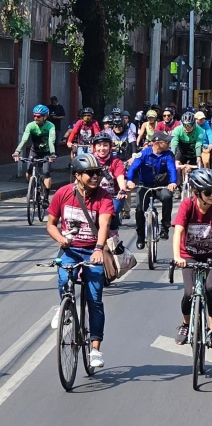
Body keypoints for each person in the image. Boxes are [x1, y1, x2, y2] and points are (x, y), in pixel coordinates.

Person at [46, 153, 113, 368]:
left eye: (97, 173)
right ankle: (64, 306)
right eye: (90, 173)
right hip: (71, 250)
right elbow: (51, 224)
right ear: (77, 175)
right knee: (64, 278)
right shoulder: (64, 193)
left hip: (93, 251)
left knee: (94, 299)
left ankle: (95, 350)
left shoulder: (103, 196)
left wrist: (99, 249)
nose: (95, 177)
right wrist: (61, 239)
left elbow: (103, 225)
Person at [172, 168, 212, 349]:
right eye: (208, 192)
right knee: (189, 294)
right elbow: (178, 231)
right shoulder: (187, 205)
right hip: (189, 255)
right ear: (196, 193)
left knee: (211, 287)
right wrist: (177, 256)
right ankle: (185, 324)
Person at [126, 132, 178, 248]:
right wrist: (129, 180)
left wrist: (173, 182)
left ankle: (165, 227)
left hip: (161, 186)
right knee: (139, 209)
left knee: (167, 197)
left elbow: (172, 169)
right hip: (145, 185)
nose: (169, 144)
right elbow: (133, 168)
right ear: (157, 143)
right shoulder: (144, 154)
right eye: (167, 142)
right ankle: (140, 235)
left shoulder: (168, 155)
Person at [13, 105, 57, 206]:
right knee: (28, 172)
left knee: (46, 173)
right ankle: (33, 189)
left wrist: (53, 154)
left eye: (39, 116)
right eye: (34, 116)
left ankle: (45, 197)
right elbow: (24, 139)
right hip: (35, 151)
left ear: (45, 117)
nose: (36, 118)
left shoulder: (50, 126)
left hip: (46, 152)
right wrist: (17, 151)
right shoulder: (31, 125)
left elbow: (51, 141)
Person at [90, 133, 127, 233]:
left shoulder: (116, 161)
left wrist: (122, 190)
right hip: (93, 196)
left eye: (105, 145)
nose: (102, 148)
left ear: (110, 147)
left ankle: (113, 241)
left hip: (113, 197)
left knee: (110, 215)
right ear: (94, 147)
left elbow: (120, 177)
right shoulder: (88, 160)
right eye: (99, 145)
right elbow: (80, 178)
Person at [170, 111, 205, 196]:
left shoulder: (200, 130)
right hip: (182, 151)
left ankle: (195, 188)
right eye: (185, 125)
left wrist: (198, 157)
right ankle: (177, 186)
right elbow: (174, 143)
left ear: (193, 124)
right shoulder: (178, 130)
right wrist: (171, 155)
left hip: (194, 153)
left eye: (189, 125)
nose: (187, 128)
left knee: (196, 170)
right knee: (176, 164)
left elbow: (198, 144)